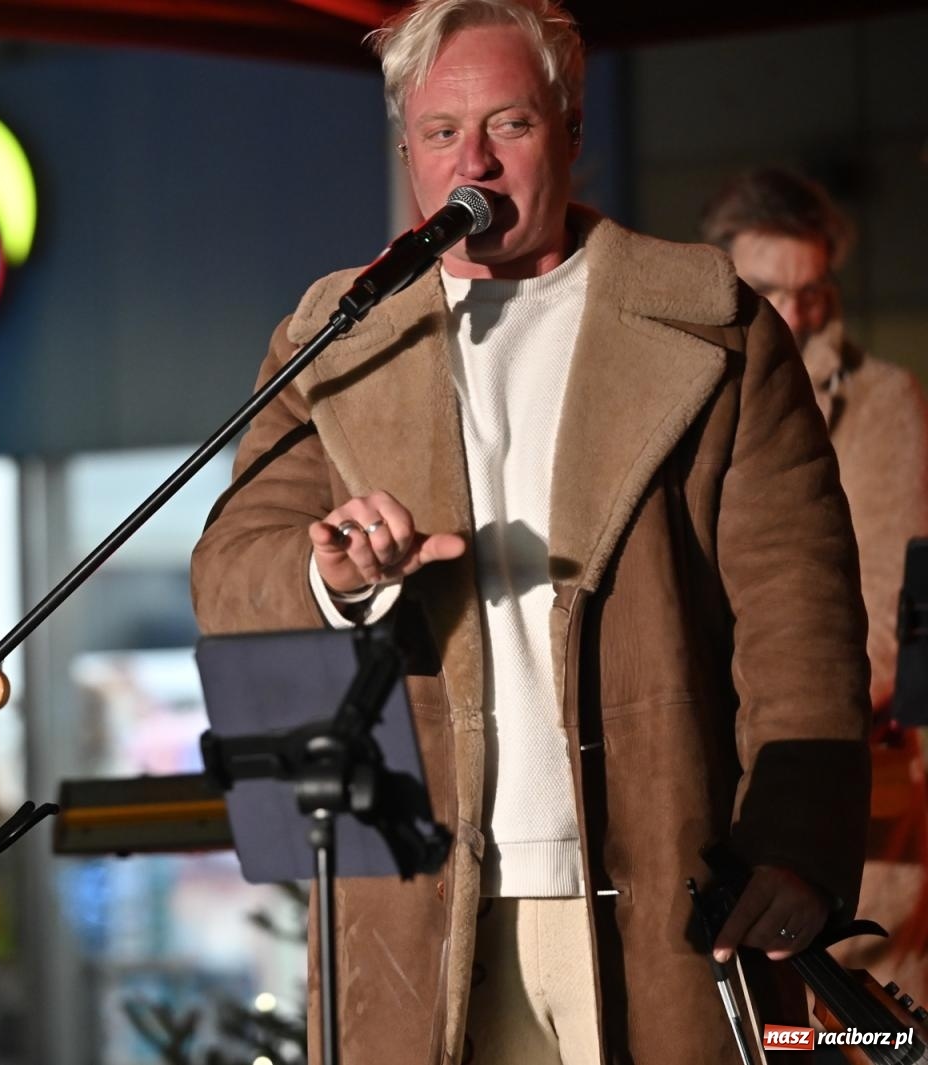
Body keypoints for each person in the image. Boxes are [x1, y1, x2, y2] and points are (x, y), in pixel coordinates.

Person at [190, 1, 872, 1061]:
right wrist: (332, 577)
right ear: (406, 149)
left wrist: (795, 844)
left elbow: (800, 608)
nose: (474, 162)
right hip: (419, 909)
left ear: (571, 131)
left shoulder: (714, 322)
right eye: (438, 132)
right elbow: (230, 572)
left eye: (508, 124)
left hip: (662, 894)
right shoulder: (332, 337)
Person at [704, 167, 928, 996]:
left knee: (863, 1036)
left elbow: (886, 634)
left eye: (811, 291)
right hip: (712, 816)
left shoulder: (880, 402)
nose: (792, 314)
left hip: (849, 821)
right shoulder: (698, 391)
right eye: (767, 289)